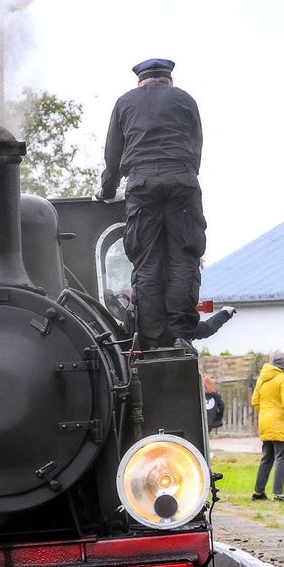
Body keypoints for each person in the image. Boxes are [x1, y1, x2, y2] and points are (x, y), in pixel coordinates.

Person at [97, 58, 205, 351]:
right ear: (169, 80)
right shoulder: (185, 99)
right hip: (182, 180)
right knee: (184, 256)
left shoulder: (125, 102)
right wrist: (184, 174)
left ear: (140, 81)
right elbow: (196, 145)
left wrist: (108, 188)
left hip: (142, 184)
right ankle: (181, 334)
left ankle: (151, 338)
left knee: (147, 261)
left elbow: (113, 155)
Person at [251, 350, 284, 502]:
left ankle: (258, 492)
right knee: (282, 457)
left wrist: (265, 413)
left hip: (266, 422)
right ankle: (279, 493)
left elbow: (255, 401)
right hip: (282, 423)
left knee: (267, 457)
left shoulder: (262, 379)